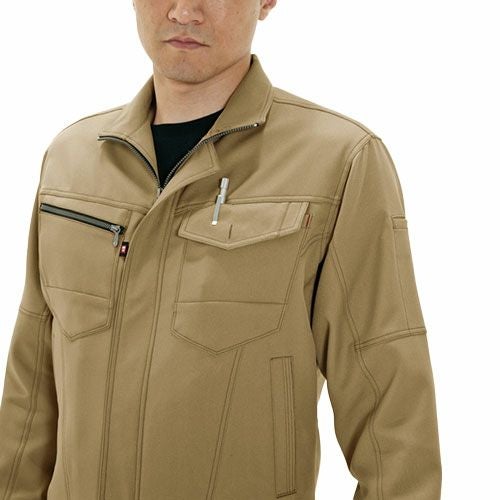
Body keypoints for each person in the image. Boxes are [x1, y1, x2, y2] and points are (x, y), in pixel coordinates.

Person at [0, 0, 442, 498]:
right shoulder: (72, 161)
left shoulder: (338, 162)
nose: (184, 11)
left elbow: (391, 412)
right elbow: (30, 390)